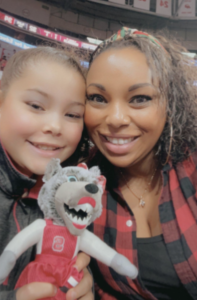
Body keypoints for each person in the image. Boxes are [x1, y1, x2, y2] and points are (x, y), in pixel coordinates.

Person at [85, 27, 197, 300]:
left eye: (140, 99)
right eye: (98, 98)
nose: (115, 118)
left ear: (171, 105)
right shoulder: (79, 184)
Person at [0, 47, 93, 300]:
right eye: (36, 106)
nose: (54, 126)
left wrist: (83, 284)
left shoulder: (73, 194)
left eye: (72, 114)